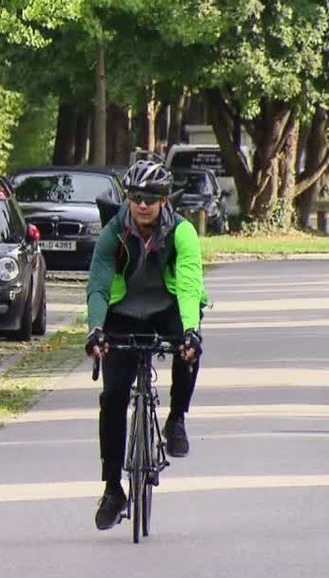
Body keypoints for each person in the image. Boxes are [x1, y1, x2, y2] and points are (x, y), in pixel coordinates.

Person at [85, 158, 208, 531]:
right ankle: (112, 489)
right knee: (113, 397)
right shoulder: (114, 230)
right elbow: (99, 283)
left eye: (151, 198)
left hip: (167, 306)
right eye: (136, 197)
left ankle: (176, 419)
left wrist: (190, 331)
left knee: (189, 349)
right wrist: (96, 328)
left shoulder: (182, 233)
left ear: (164, 200)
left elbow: (188, 285)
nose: (142, 205)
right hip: (124, 310)